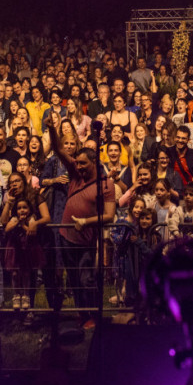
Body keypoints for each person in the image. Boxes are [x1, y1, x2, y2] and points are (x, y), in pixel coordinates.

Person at [47, 125, 115, 330]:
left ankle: (94, 313)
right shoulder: (76, 174)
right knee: (75, 279)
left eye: (83, 164)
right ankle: (82, 314)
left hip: (85, 240)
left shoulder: (106, 185)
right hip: (66, 237)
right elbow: (59, 150)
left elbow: (110, 215)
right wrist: (52, 129)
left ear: (94, 162)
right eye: (77, 163)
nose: (79, 167)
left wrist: (86, 222)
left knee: (87, 279)